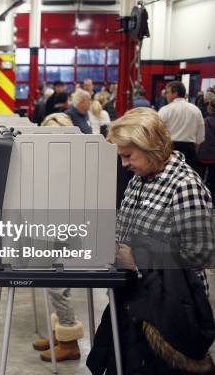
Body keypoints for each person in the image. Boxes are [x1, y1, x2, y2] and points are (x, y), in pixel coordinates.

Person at [88, 108, 214, 374]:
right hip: (137, 299)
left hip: (169, 312)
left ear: (151, 146)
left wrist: (139, 258)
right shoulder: (140, 180)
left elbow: (200, 253)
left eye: (128, 156)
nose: (123, 164)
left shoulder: (185, 185)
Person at [32, 113, 84, 363]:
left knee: (57, 285)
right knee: (54, 284)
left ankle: (69, 340)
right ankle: (59, 333)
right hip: (55, 224)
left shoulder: (73, 161)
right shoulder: (57, 158)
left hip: (68, 227)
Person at [158, 81, 205, 174]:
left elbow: (156, 131)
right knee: (188, 179)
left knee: (168, 179)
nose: (166, 95)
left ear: (175, 92)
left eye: (167, 92)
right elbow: (200, 137)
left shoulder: (165, 110)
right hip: (190, 151)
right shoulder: (196, 110)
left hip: (170, 150)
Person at [198, 92, 215, 195]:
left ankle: (200, 196)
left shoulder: (204, 121)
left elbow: (200, 138)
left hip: (203, 155)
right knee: (212, 181)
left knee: (199, 178)